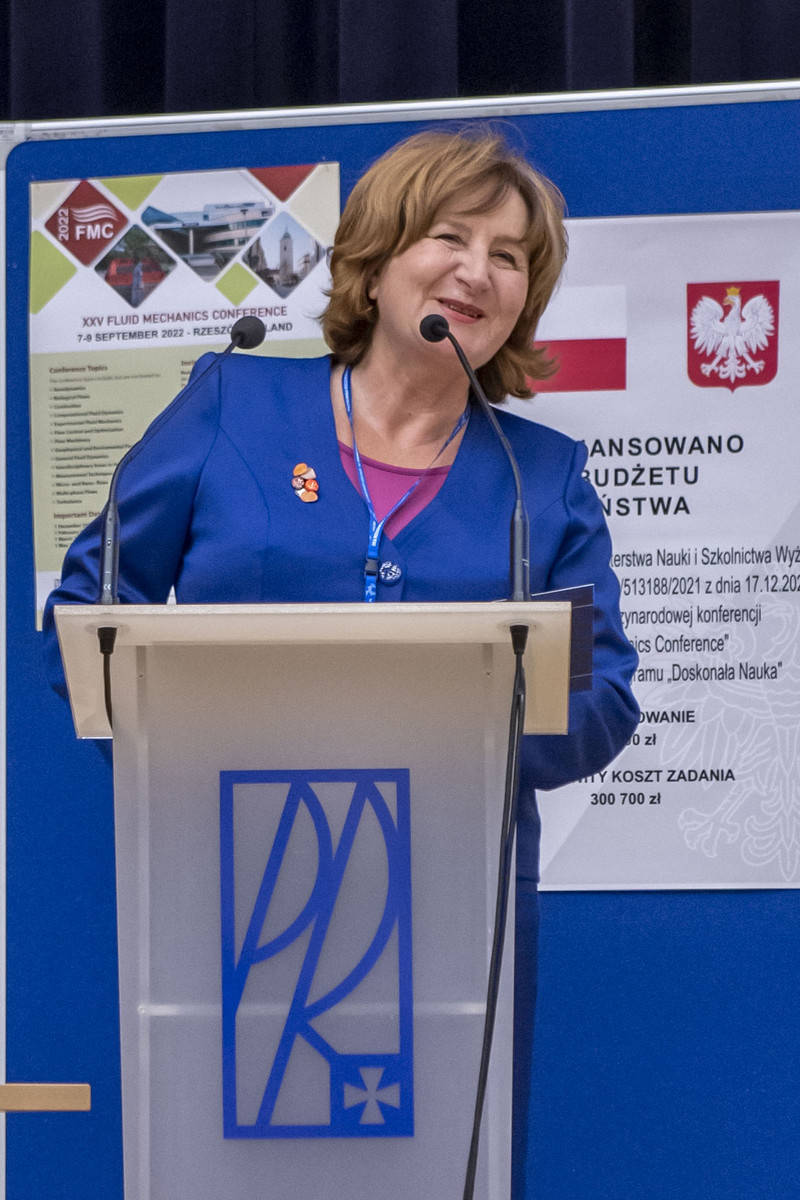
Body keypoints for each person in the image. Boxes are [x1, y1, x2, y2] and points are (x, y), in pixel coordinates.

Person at [43, 128, 638, 1196]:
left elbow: (600, 701)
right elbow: (90, 610)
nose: (477, 271)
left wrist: (462, 725)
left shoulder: (538, 481)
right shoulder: (233, 408)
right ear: (377, 258)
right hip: (230, 873)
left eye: (509, 257)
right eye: (449, 237)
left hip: (452, 913)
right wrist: (176, 760)